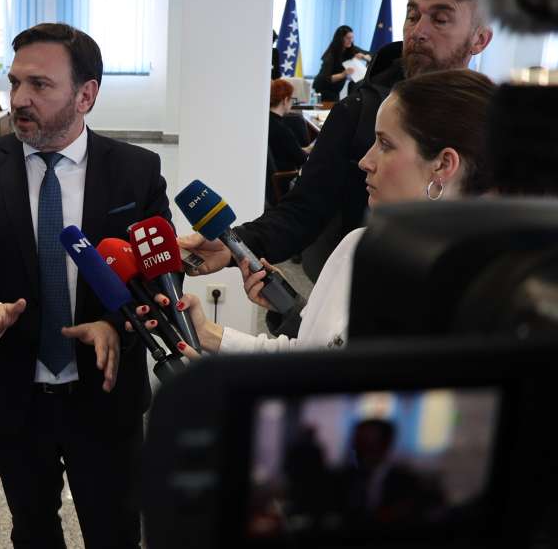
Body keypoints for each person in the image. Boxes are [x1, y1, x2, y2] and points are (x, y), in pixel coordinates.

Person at [0, 23, 170, 548]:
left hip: (106, 393)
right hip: (11, 393)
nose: (18, 99)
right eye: (15, 83)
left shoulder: (137, 171)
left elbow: (160, 272)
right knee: (32, 529)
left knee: (116, 532)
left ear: (86, 95)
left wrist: (116, 323)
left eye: (39, 85)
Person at [181, 0, 495, 278]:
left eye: (440, 20)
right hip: (357, 288)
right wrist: (234, 246)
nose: (418, 32)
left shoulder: (499, 126)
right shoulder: (359, 111)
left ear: (480, 39)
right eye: (412, 16)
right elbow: (302, 211)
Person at [172, 69, 493, 354]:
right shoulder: (357, 247)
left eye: (385, 144)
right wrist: (208, 334)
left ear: (443, 164)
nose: (365, 161)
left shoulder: (487, 297)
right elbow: (310, 356)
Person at [312, 25, 371, 103]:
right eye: (348, 38)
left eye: (352, 38)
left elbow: (371, 56)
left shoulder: (351, 48)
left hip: (336, 90)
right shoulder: (330, 55)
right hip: (324, 89)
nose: (351, 40)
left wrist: (363, 57)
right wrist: (343, 74)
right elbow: (326, 79)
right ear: (340, 39)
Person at [268, 78, 309, 173]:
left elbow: (287, 149)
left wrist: (306, 149)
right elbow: (302, 160)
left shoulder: (267, 121)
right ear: (285, 100)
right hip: (286, 176)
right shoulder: (283, 130)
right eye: (291, 99)